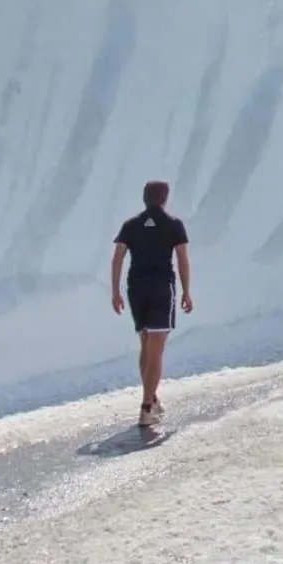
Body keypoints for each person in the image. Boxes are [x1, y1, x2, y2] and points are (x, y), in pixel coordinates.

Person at [111, 180, 192, 426]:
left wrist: (116, 291)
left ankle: (152, 397)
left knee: (146, 345)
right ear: (164, 198)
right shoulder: (173, 225)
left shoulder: (131, 225)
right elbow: (182, 260)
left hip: (136, 288)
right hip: (161, 288)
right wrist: (186, 291)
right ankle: (147, 406)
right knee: (156, 348)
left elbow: (118, 258)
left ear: (144, 198)